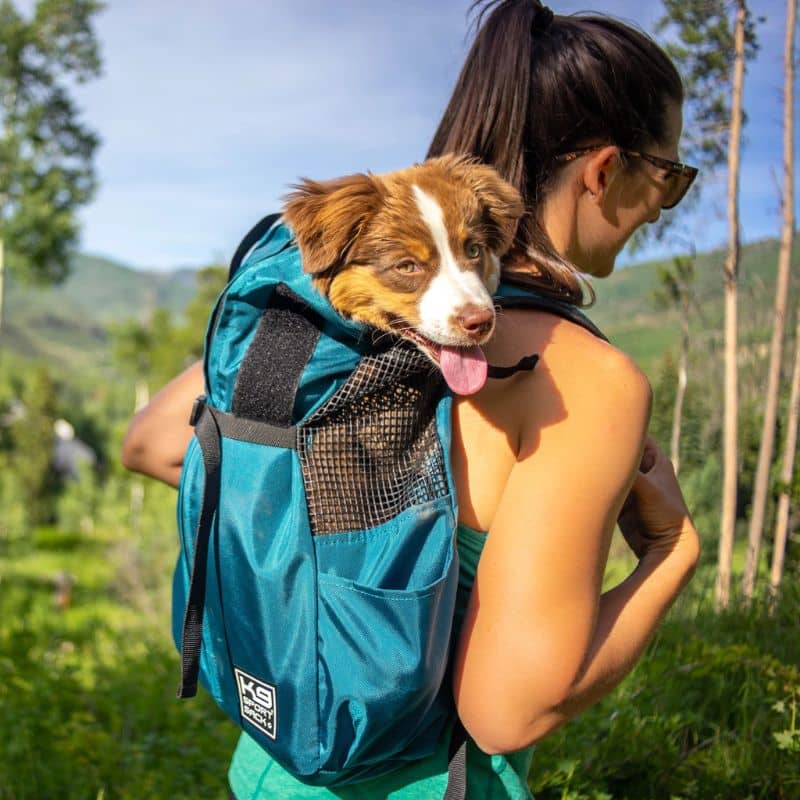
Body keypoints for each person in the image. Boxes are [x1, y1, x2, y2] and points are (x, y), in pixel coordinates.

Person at [121, 1, 701, 797]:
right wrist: (672, 557)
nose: (660, 209)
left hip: (271, 764)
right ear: (605, 169)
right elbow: (506, 714)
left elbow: (150, 441)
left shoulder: (325, 335)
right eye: (669, 178)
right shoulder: (584, 380)